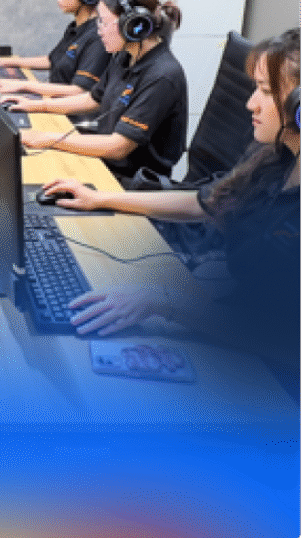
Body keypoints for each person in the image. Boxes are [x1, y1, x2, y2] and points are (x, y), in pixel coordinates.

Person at [41, 29, 300, 379]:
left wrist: (164, 302)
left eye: (266, 92)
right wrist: (100, 198)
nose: (250, 103)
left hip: (269, 380)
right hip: (227, 324)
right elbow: (205, 203)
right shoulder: (276, 158)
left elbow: (286, 343)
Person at [4, 0, 187, 184]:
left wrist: (48, 139)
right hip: (105, 164)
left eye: (104, 22)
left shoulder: (162, 76)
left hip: (130, 184)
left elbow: (118, 147)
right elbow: (92, 99)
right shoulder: (125, 55)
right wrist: (35, 104)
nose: (98, 29)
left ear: (132, 26)